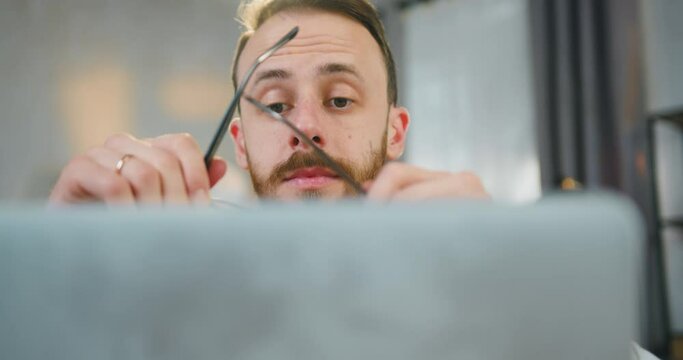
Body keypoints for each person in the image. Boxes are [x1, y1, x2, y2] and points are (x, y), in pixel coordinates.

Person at [49, 0, 491, 205]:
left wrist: (508, 275)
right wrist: (58, 263)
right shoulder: (176, 288)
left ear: (395, 131)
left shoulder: (457, 277)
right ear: (238, 143)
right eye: (276, 107)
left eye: (339, 100)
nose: (309, 128)